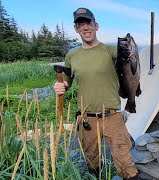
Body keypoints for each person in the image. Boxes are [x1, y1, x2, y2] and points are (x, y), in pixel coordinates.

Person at [53, 7, 139, 179]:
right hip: (86, 119)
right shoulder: (72, 55)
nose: (85, 27)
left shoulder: (110, 51)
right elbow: (68, 81)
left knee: (125, 162)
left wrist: (134, 48)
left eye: (88, 23)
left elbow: (130, 61)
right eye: (80, 24)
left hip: (113, 116)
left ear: (96, 26)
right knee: (92, 162)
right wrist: (61, 86)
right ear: (76, 29)